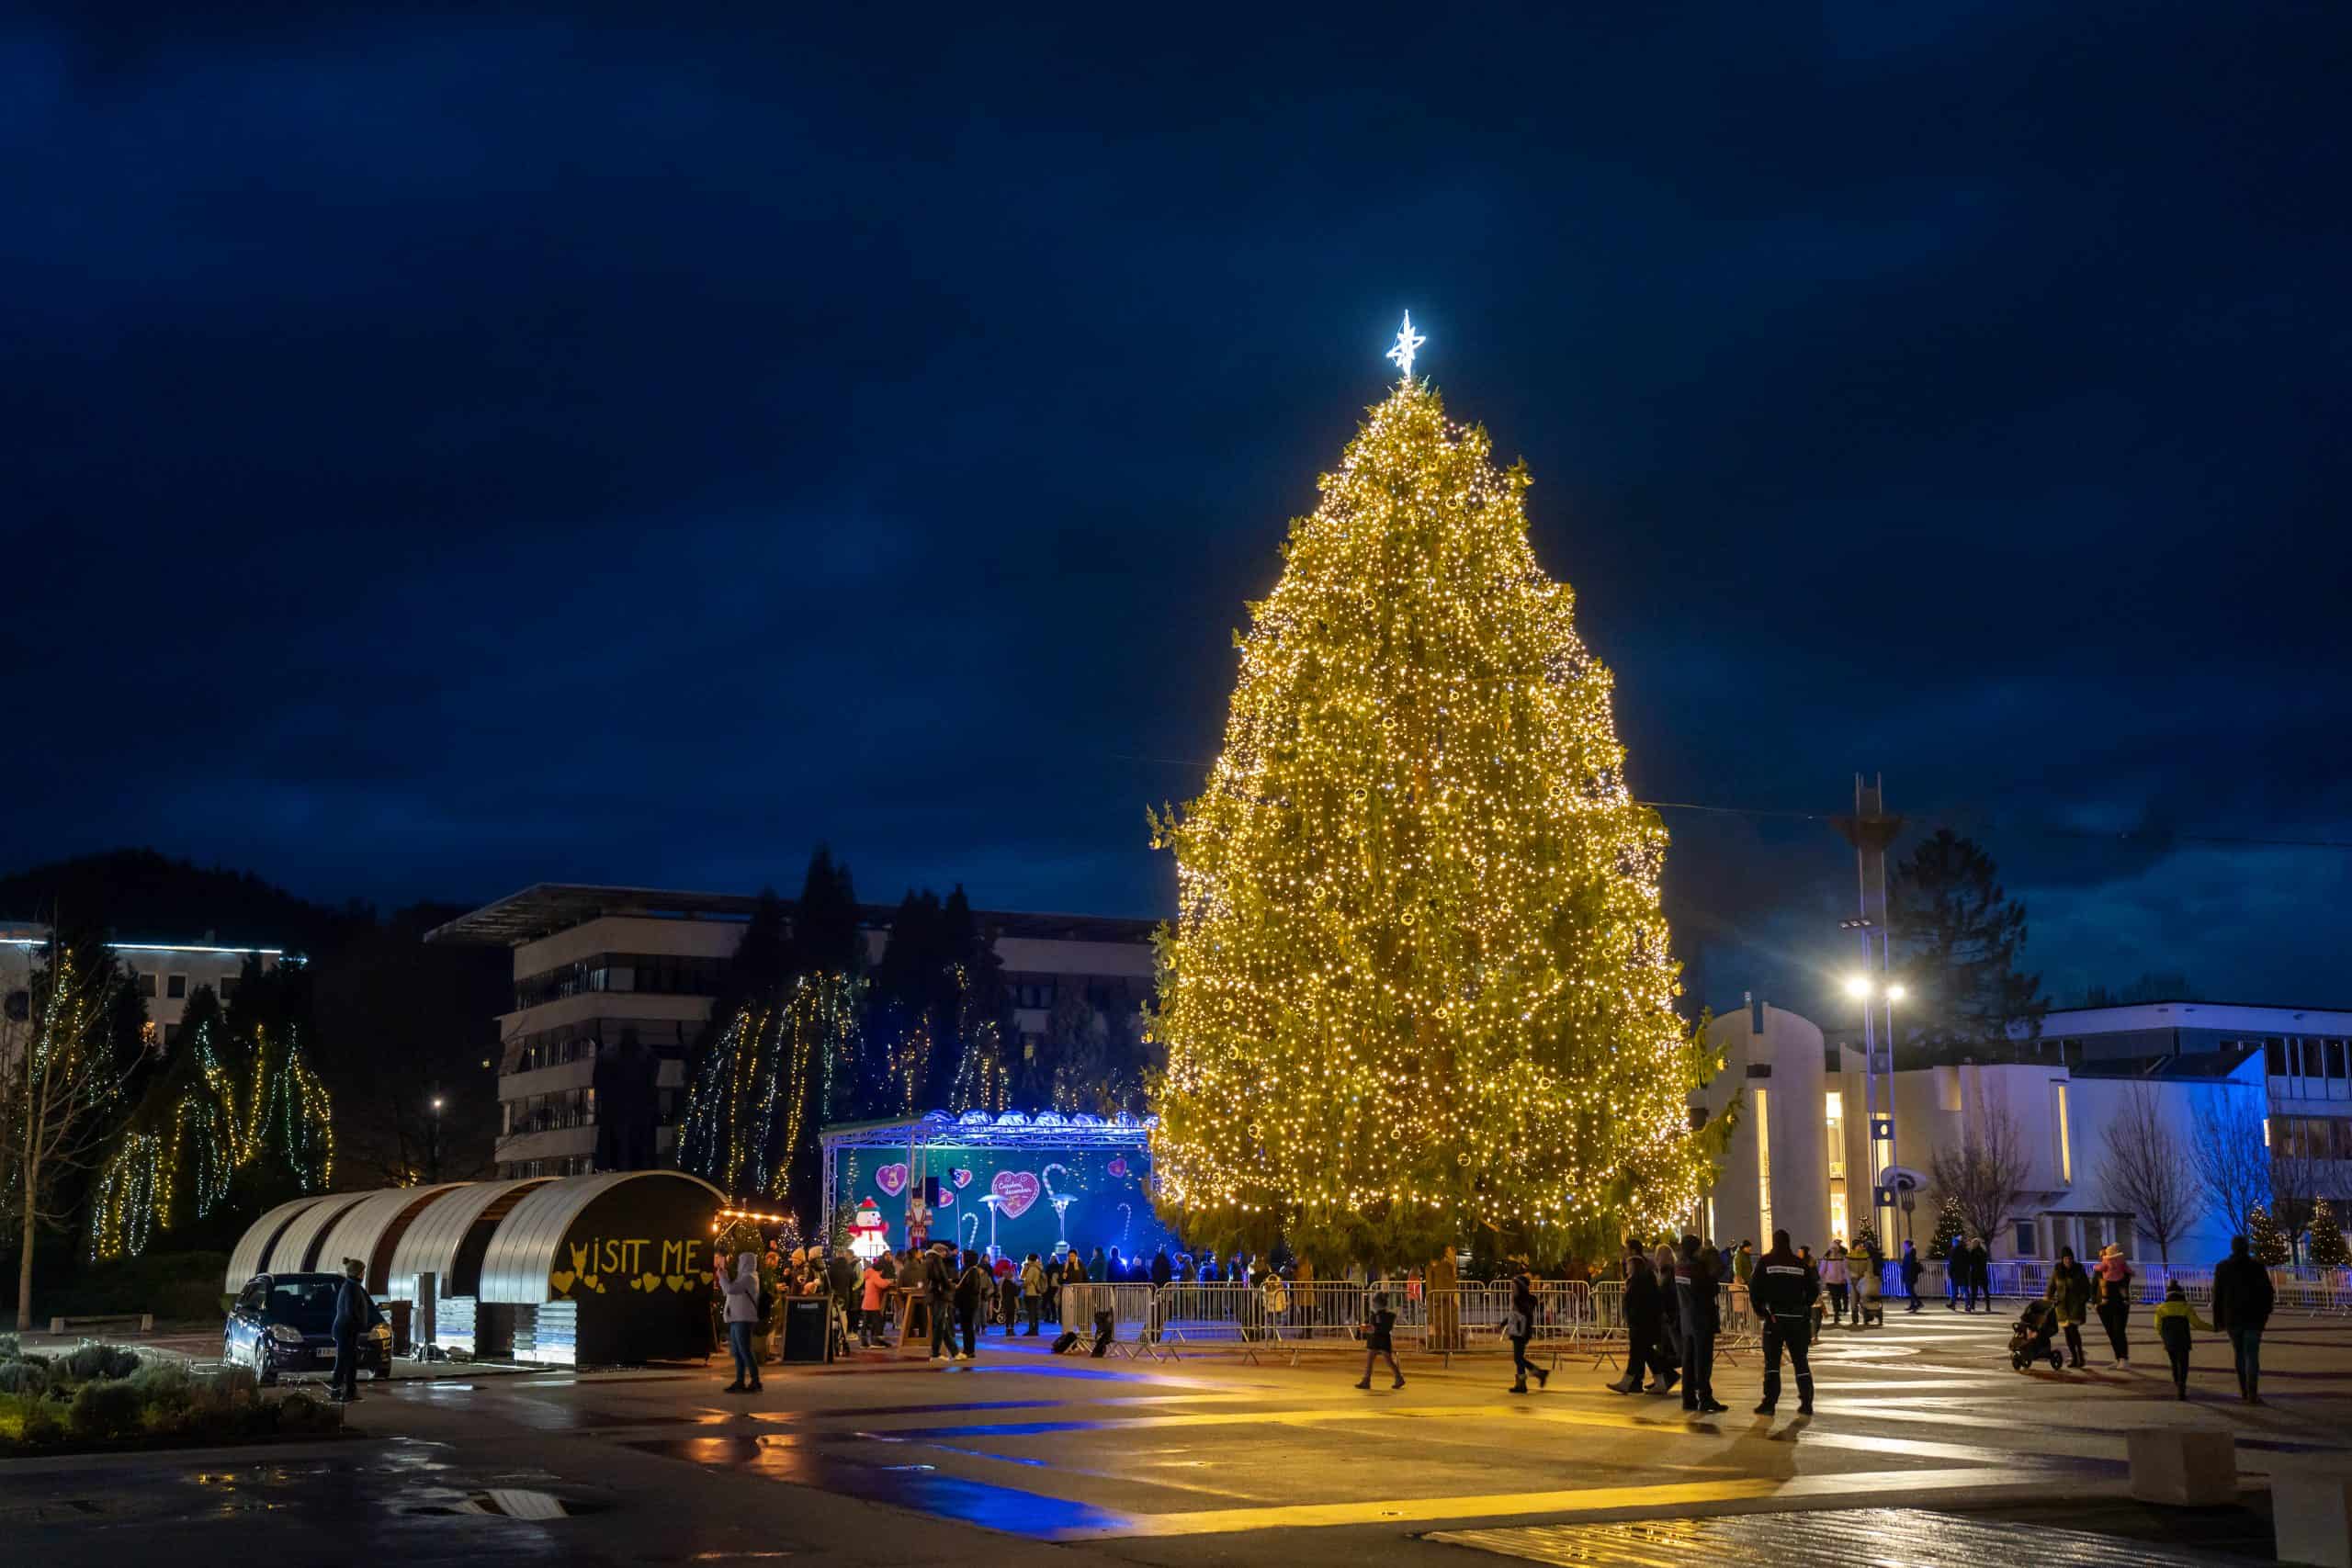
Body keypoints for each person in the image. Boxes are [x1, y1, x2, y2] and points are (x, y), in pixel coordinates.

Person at [1749, 1229, 1818, 1416]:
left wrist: (1762, 1311)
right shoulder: (1800, 1264)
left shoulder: (1766, 1262)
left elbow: (1754, 1289)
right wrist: (1804, 1306)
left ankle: (1770, 1402)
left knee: (1772, 1363)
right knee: (1800, 1361)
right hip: (1797, 1319)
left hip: (1775, 1318)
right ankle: (1807, 1401)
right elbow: (1814, 1288)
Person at [2211, 1234, 2275, 1404]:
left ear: (2233, 1248)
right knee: (2252, 1355)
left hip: (2233, 1318)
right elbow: (2268, 1293)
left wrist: (2218, 1320)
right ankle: (2253, 1392)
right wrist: (2265, 1314)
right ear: (2247, 1248)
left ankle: (2244, 1391)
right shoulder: (2257, 1267)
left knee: (2239, 1354)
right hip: (2254, 1318)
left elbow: (2217, 1296)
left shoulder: (2223, 1267)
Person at [1674, 1234, 1727, 1415]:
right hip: (1701, 1318)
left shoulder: (1679, 1267)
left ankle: (1688, 1398)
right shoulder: (1697, 1269)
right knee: (1703, 1361)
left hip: (1686, 1318)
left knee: (1688, 1361)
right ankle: (1705, 1397)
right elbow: (1711, 1289)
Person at [329, 1258, 384, 1404]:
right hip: (347, 1330)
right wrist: (360, 1324)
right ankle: (337, 1391)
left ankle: (349, 1391)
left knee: (350, 1361)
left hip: (347, 1330)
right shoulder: (351, 1288)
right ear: (358, 1273)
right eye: (363, 1271)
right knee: (343, 1361)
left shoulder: (351, 1286)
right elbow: (351, 1311)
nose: (364, 1274)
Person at [2152, 1280, 2214, 1401]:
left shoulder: (2161, 1308)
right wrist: (2214, 1329)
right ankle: (2182, 1387)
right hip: (2183, 1340)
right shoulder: (2186, 1307)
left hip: (2169, 1341)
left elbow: (2157, 1326)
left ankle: (2176, 1382)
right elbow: (2197, 1324)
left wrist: (2163, 1337)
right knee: (2183, 1365)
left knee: (2174, 1363)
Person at [721, 1251, 763, 1393]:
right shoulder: (744, 1278)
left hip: (743, 1319)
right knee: (738, 1351)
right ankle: (740, 1381)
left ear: (745, 1262)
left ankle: (755, 1380)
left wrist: (722, 1276)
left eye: (741, 1261)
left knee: (745, 1350)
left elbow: (730, 1289)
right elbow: (730, 1290)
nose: (739, 1264)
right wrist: (725, 1276)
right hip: (736, 1318)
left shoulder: (749, 1278)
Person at [2045, 1245, 2091, 1369]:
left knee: (2073, 1330)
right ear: (2062, 1259)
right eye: (2066, 1259)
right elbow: (2051, 1287)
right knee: (2067, 1332)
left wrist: (2082, 1300)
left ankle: (2080, 1356)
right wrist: (2049, 1298)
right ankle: (2074, 1357)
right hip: (2062, 1308)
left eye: (2070, 1259)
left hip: (2076, 1307)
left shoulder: (2079, 1271)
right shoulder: (2058, 1271)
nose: (2068, 1261)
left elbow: (2087, 1288)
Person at [1507, 1269, 1548, 1394]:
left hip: (1520, 1332)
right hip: (1518, 1331)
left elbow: (1520, 1316)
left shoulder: (1522, 1301)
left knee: (1518, 1358)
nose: (1511, 1289)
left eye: (1514, 1287)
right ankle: (1522, 1383)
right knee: (1518, 1358)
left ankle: (1539, 1373)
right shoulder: (1522, 1300)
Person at [1354, 1291, 1404, 1391]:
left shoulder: (1383, 1315)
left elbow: (1381, 1328)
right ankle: (1366, 1380)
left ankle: (1398, 1378)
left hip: (1380, 1341)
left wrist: (1370, 1328)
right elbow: (1375, 1327)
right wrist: (1368, 1328)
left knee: (1388, 1361)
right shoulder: (1377, 1314)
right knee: (1371, 1361)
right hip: (1376, 1341)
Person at [2095, 1244, 2134, 1367]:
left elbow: (2125, 1283)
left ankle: (2124, 1358)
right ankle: (2118, 1358)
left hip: (2119, 1304)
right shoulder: (2100, 1271)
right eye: (2100, 1256)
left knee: (2119, 1330)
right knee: (2111, 1332)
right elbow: (2094, 1287)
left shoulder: (2121, 1269)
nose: (2102, 1257)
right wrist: (2095, 1302)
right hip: (2103, 1305)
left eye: (2104, 1254)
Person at [924, 1242, 957, 1360]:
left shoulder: (927, 1260)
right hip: (939, 1295)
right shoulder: (936, 1260)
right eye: (944, 1251)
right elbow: (941, 1277)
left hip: (931, 1295)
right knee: (940, 1325)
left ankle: (954, 1352)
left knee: (941, 1324)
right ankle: (935, 1353)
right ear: (939, 1251)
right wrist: (951, 1286)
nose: (945, 1254)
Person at [956, 1248, 988, 1359]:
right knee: (967, 1327)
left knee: (967, 1327)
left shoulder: (971, 1270)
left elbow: (972, 1288)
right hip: (969, 1302)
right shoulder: (971, 1269)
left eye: (963, 1256)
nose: (961, 1258)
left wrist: (959, 1290)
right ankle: (968, 1350)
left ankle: (969, 1350)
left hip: (967, 1303)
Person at [859, 1255, 888, 1347]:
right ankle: (875, 1341)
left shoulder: (869, 1273)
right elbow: (883, 1284)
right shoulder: (875, 1275)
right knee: (877, 1322)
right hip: (873, 1303)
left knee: (866, 1322)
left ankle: (864, 1342)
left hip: (866, 1303)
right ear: (881, 1270)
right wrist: (889, 1282)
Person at [1820, 1241, 1849, 1325]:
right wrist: (1820, 1278)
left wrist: (1846, 1278)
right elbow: (1823, 1269)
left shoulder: (1842, 1257)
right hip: (1831, 1281)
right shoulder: (1827, 1257)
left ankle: (1838, 1312)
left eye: (1835, 1248)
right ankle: (1836, 1314)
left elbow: (1845, 1269)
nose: (1834, 1250)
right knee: (1835, 1298)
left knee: (1839, 1297)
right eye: (1833, 1248)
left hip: (1841, 1281)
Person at [1021, 1251, 1046, 1335]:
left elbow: (1027, 1280)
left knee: (1031, 1313)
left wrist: (1022, 1286)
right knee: (1035, 1313)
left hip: (1031, 1293)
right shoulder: (1039, 1267)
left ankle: (1032, 1330)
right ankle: (1035, 1330)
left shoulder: (1032, 1269)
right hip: (1037, 1293)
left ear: (1029, 1260)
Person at [1968, 1236, 1993, 1313]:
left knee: (1974, 1291)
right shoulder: (1983, 1252)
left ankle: (1972, 1306)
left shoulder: (1972, 1252)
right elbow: (1984, 1262)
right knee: (1985, 1291)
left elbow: (1970, 1262)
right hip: (1983, 1273)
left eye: (1973, 1243)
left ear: (1975, 1244)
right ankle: (1988, 1307)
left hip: (1975, 1273)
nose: (1972, 1244)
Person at [1900, 1240, 1925, 1313]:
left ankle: (1919, 1303)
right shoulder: (1908, 1252)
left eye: (1904, 1245)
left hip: (1910, 1275)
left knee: (1910, 1290)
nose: (1903, 1246)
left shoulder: (1911, 1253)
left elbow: (1911, 1264)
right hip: (1908, 1274)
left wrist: (1905, 1266)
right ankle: (1913, 1305)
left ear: (1908, 1245)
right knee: (1910, 1290)